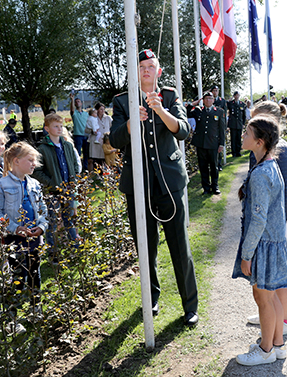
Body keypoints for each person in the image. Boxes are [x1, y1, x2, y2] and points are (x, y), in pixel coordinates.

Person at [109, 49, 199, 326]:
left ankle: (190, 305)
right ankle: (152, 298)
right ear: (136, 72)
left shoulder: (170, 96)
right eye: (141, 66)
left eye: (151, 66)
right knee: (145, 247)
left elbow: (183, 130)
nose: (146, 70)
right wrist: (130, 122)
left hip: (169, 183)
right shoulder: (122, 101)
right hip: (138, 185)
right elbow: (115, 139)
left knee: (179, 246)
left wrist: (159, 109)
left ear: (158, 71)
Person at [232, 115, 287, 366]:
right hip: (274, 242)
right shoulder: (270, 164)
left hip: (264, 245)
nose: (243, 136)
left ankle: (265, 350)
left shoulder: (261, 173)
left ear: (259, 142)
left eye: (247, 133)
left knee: (263, 298)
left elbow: (258, 220)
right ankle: (277, 345)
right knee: (273, 297)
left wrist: (247, 254)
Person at [245, 101, 287, 337]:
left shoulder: (283, 150)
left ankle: (284, 319)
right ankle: (269, 314)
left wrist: (278, 224)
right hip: (267, 219)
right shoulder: (265, 148)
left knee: (280, 275)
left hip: (279, 221)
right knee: (269, 274)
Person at [0, 142, 48, 291]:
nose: (34, 164)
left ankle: (36, 307)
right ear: (16, 161)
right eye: (30, 160)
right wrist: (15, 229)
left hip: (34, 237)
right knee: (18, 277)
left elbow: (43, 209)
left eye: (34, 160)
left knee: (35, 273)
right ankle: (14, 310)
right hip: (13, 240)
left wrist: (41, 226)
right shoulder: (0, 185)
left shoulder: (34, 183)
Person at [33, 113, 80, 248]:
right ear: (47, 128)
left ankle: (75, 247)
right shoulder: (42, 149)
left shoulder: (68, 146)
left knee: (69, 219)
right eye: (55, 126)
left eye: (61, 126)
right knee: (52, 221)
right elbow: (37, 171)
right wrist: (50, 182)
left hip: (69, 189)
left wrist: (74, 178)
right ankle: (53, 251)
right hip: (53, 192)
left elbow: (75, 165)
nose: (59, 129)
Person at [190, 92, 226, 195]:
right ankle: (206, 188)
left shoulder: (219, 111)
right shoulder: (198, 111)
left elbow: (221, 129)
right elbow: (186, 111)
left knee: (214, 166)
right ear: (203, 100)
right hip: (201, 143)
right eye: (206, 99)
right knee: (203, 166)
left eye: (210, 99)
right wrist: (194, 103)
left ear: (213, 100)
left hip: (213, 144)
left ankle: (215, 186)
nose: (208, 100)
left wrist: (221, 144)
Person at [86, 102, 111, 170]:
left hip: (105, 141)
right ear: (97, 110)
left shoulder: (108, 118)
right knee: (94, 159)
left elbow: (113, 127)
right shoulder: (92, 118)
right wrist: (92, 131)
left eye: (103, 109)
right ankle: (95, 175)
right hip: (95, 141)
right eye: (101, 109)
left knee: (104, 159)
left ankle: (104, 174)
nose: (103, 111)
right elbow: (86, 130)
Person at [70, 93, 90, 170]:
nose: (77, 103)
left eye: (79, 101)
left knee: (86, 153)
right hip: (78, 135)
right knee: (78, 153)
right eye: (76, 102)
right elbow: (72, 110)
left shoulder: (86, 114)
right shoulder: (74, 113)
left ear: (81, 103)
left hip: (86, 135)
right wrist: (72, 99)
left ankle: (85, 169)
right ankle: (78, 169)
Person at [211, 86, 227, 171]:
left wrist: (224, 125)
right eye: (213, 90)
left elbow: (224, 113)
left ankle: (219, 164)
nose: (215, 92)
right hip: (212, 126)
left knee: (219, 146)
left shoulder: (222, 101)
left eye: (216, 91)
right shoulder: (208, 99)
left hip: (219, 125)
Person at [227, 91, 246, 157]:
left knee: (238, 139)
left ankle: (238, 152)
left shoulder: (242, 104)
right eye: (236, 95)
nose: (237, 96)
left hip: (239, 124)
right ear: (234, 96)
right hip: (233, 124)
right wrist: (229, 99)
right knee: (233, 139)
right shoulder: (231, 103)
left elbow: (244, 115)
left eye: (238, 95)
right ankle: (234, 152)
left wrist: (243, 123)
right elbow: (226, 104)